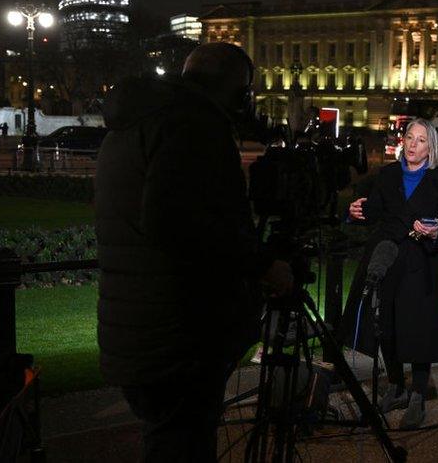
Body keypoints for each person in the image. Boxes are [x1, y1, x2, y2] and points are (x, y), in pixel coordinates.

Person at [95, 42, 291, 462]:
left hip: (138, 324)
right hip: (179, 333)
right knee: (183, 447)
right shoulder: (193, 123)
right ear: (238, 91)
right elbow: (181, 223)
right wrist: (262, 265)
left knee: (167, 442)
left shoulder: (134, 122)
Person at [342, 118, 438, 429]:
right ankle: (395, 386)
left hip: (420, 262)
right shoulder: (387, 175)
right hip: (386, 256)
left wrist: (435, 233)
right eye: (409, 137)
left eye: (421, 140)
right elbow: (370, 211)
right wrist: (354, 213)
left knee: (419, 328)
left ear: (430, 148)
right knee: (384, 324)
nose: (413, 144)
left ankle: (418, 395)